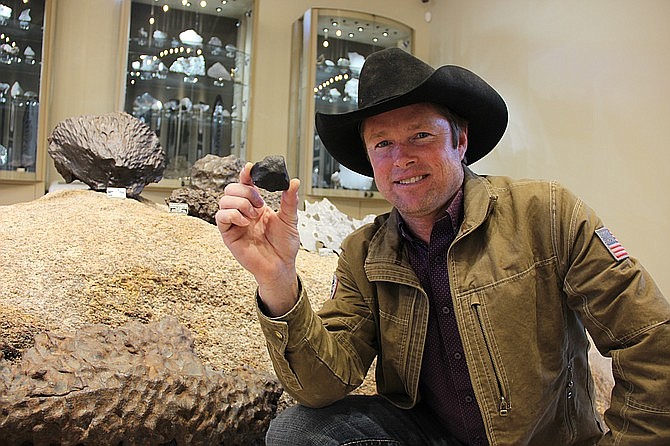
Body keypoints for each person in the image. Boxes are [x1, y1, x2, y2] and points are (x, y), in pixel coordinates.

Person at [215, 47, 670, 445]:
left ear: (461, 140)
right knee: (297, 432)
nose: (402, 159)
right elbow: (324, 385)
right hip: (432, 437)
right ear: (370, 161)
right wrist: (276, 280)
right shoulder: (364, 252)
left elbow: (649, 340)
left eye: (420, 136)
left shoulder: (547, 214)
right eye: (382, 144)